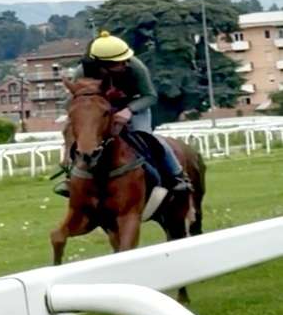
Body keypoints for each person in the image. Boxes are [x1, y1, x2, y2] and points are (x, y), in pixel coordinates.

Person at [53, 31, 192, 197]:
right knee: (77, 136)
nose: (126, 64)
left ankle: (177, 176)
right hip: (101, 110)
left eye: (126, 59)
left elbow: (150, 96)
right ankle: (70, 177)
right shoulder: (82, 71)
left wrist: (129, 110)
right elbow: (73, 99)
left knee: (148, 138)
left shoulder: (136, 67)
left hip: (135, 106)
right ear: (104, 64)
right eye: (120, 62)